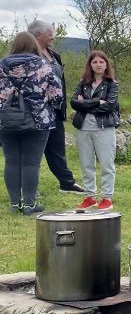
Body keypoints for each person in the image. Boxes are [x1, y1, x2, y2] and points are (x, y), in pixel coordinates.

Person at [0, 32, 63, 215]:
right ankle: (29, 205)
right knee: (31, 163)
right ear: (34, 45)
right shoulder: (42, 64)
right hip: (38, 120)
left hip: (6, 120)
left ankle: (14, 204)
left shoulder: (1, 65)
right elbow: (56, 95)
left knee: (11, 162)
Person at [27, 20, 85, 194]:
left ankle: (66, 183)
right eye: (50, 33)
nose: (53, 36)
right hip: (36, 111)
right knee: (33, 150)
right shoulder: (28, 55)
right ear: (38, 35)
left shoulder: (54, 54)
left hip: (55, 109)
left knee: (57, 147)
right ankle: (31, 187)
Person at [70, 50, 120, 211]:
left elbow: (110, 106)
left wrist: (85, 105)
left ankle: (107, 198)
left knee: (106, 164)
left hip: (104, 128)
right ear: (90, 65)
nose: (98, 65)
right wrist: (98, 101)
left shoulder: (112, 84)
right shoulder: (82, 83)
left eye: (101, 62)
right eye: (95, 62)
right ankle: (90, 196)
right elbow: (73, 103)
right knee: (86, 164)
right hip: (83, 129)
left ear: (106, 65)